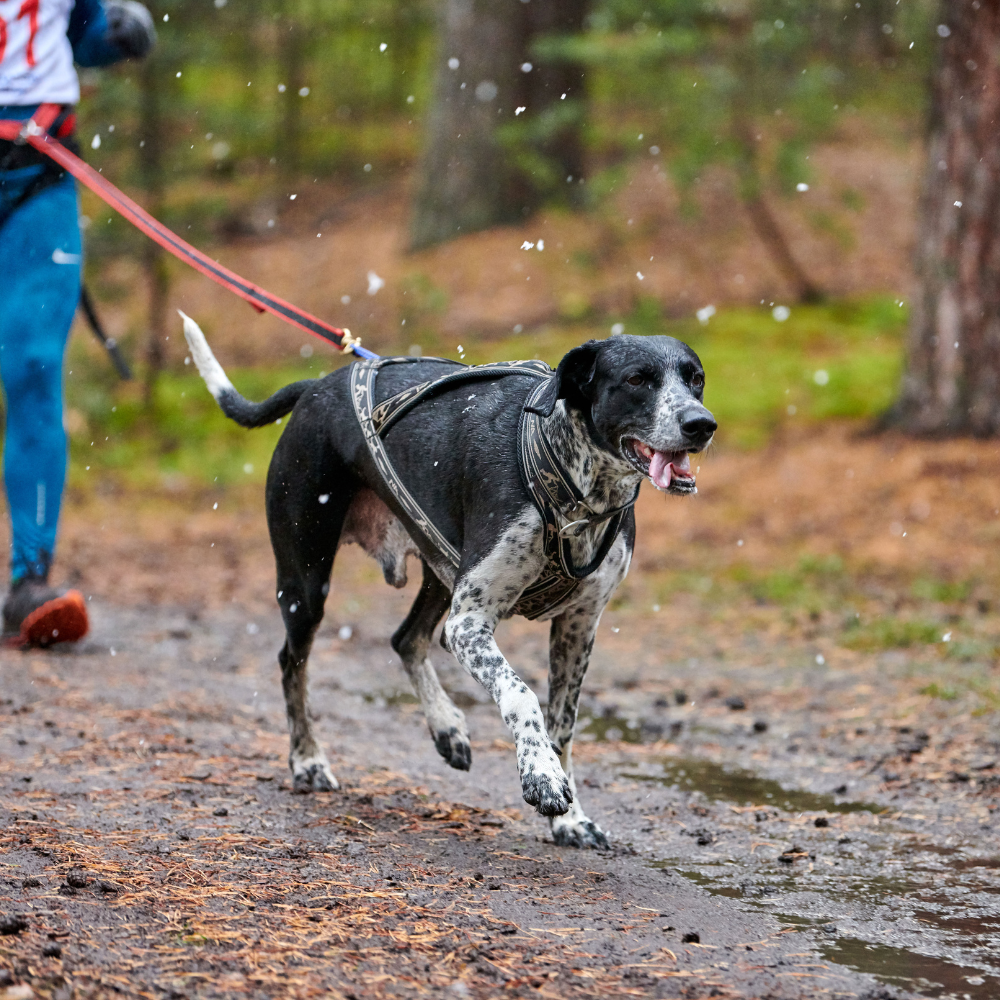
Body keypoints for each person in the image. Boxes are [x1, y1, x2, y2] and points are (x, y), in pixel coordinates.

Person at [0, 0, 155, 646]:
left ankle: (29, 583)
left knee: (34, 364)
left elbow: (81, 32)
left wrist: (119, 32)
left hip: (41, 171)